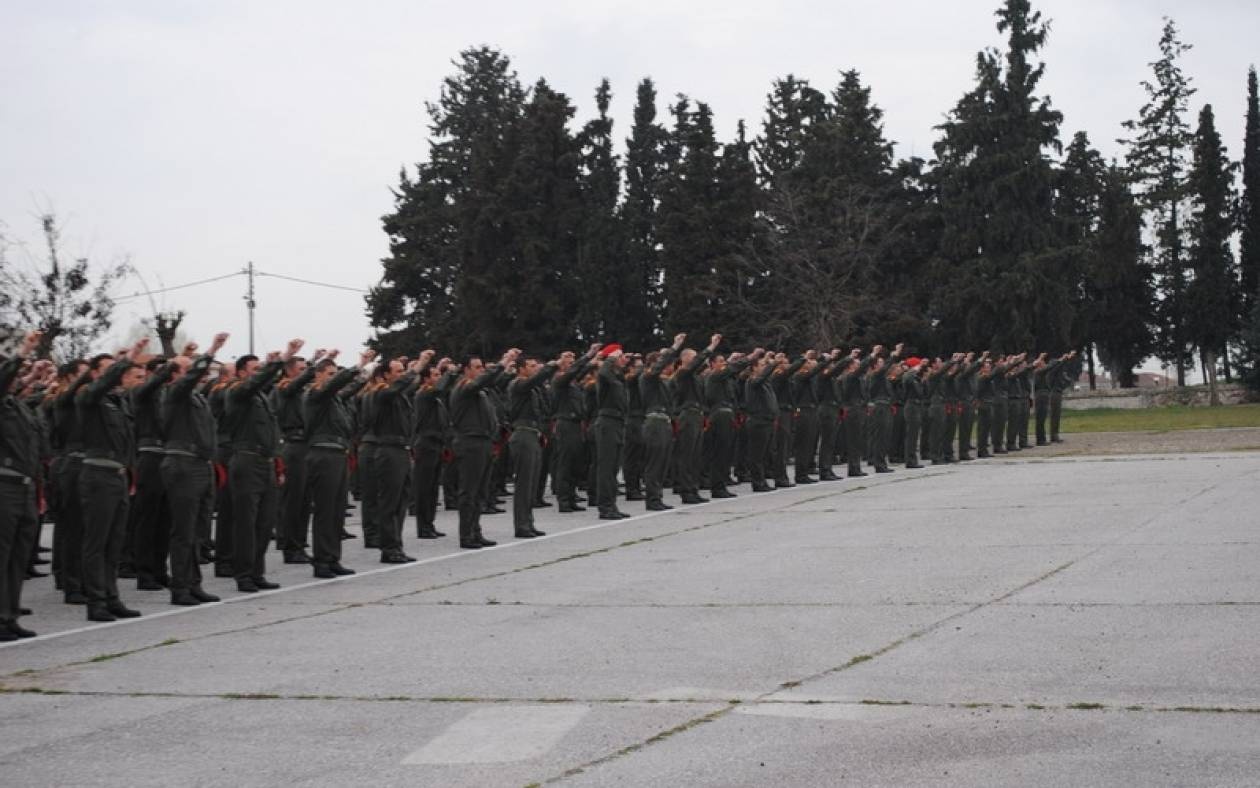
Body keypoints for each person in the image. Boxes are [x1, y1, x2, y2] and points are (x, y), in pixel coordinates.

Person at [77, 337, 150, 621]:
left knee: (114, 541)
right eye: (109, 370)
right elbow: (102, 384)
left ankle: (111, 597)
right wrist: (127, 357)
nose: (117, 374)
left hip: (117, 475)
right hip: (98, 475)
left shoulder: (118, 403)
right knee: (97, 542)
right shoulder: (89, 398)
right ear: (96, 374)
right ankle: (95, 602)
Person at [225, 339, 303, 592]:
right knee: (246, 523)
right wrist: (282, 358)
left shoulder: (261, 398)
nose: (258, 374)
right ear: (240, 373)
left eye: (260, 369)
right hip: (246, 460)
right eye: (253, 369)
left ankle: (257, 571)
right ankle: (243, 573)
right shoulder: (237, 393)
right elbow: (256, 383)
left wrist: (278, 465)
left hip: (265, 462)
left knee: (264, 521)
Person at [160, 332, 229, 605]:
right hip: (182, 464)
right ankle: (180, 587)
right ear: (176, 374)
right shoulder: (174, 393)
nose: (197, 374)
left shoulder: (197, 398)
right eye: (188, 370)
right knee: (183, 529)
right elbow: (189, 379)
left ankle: (193, 583)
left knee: (198, 530)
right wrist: (210, 349)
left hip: (200, 464)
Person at [304, 349, 373, 577]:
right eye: (330, 374)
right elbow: (335, 387)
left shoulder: (333, 398)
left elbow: (349, 389)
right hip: (323, 454)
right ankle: (321, 561)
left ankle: (332, 557)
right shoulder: (315, 394)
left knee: (336, 511)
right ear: (318, 375)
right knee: (325, 510)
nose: (333, 377)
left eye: (335, 373)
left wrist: (363, 372)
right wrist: (357, 365)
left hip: (338, 454)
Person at [0, 331, 45, 638]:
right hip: (4, 486)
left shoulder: (18, 407)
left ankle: (9, 615)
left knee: (18, 555)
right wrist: (24, 351)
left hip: (25, 487)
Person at [450, 348, 519, 548]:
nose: (481, 370)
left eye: (482, 367)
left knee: (480, 491)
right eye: (477, 367)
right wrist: (504, 361)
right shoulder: (464, 387)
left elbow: (488, 382)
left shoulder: (478, 391)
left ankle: (475, 531)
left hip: (483, 442)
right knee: (469, 492)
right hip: (470, 442)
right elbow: (484, 380)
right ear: (466, 370)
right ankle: (466, 535)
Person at [367, 352, 431, 563]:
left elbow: (406, 387)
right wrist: (417, 366)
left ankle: (396, 545)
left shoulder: (398, 395)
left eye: (403, 371)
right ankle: (389, 548)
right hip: (388, 451)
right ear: (386, 375)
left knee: (401, 502)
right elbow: (398, 387)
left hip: (402, 450)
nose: (403, 374)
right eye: (398, 371)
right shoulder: (381, 393)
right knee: (390, 503)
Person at [273, 348, 325, 564]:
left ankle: (299, 544)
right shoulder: (284, 388)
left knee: (304, 501)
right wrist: (315, 364)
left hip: (306, 444)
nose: (306, 374)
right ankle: (290, 546)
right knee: (293, 501)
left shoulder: (302, 390)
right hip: (293, 446)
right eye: (301, 370)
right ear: (289, 372)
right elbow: (296, 384)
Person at [507, 353, 561, 535]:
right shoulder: (519, 384)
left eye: (535, 366)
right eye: (530, 366)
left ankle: (528, 522)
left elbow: (547, 405)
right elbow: (535, 380)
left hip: (533, 434)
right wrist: (553, 365)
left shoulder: (533, 388)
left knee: (531, 481)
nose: (534, 369)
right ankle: (521, 525)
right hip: (522, 434)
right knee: (523, 483)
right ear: (521, 369)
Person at [412, 358, 457, 539]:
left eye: (440, 375)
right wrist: (449, 372)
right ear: (425, 379)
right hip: (426, 444)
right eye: (435, 375)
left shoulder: (435, 398)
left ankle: (429, 523)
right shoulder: (424, 394)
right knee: (424, 488)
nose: (439, 378)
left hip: (436, 444)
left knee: (432, 488)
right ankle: (423, 526)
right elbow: (439, 389)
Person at [639, 335, 684, 511]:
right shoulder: (647, 377)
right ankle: (652, 499)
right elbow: (659, 366)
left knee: (663, 462)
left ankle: (657, 496)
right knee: (655, 463)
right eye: (660, 362)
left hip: (663, 421)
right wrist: (675, 346)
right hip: (654, 421)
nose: (665, 365)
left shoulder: (661, 381)